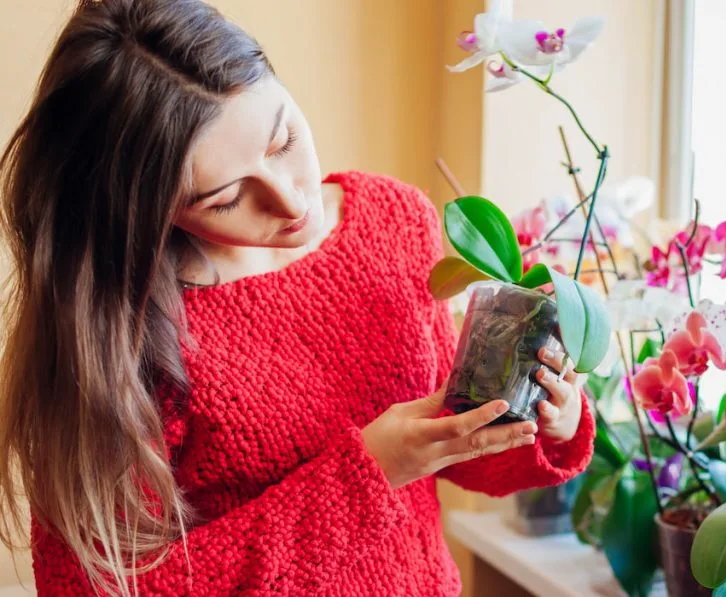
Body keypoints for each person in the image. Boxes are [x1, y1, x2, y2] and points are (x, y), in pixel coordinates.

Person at [0, 1, 594, 595]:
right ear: (147, 209)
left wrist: (548, 420)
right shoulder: (121, 333)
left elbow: (453, 442)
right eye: (225, 197)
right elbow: (98, 588)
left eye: (283, 139)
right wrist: (364, 477)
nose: (290, 201)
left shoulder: (392, 219)